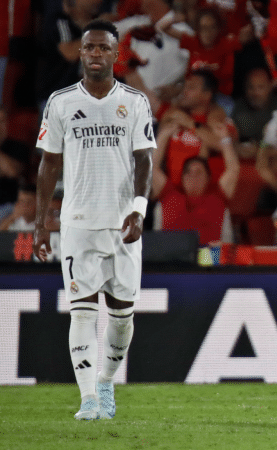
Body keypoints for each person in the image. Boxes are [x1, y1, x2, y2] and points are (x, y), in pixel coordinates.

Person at [33, 20, 155, 420]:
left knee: (122, 317)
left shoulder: (135, 102)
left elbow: (144, 160)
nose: (96, 54)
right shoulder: (61, 102)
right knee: (82, 311)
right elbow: (49, 163)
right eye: (90, 48)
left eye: (104, 48)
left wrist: (138, 208)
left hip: (123, 224)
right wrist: (39, 223)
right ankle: (87, 399)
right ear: (81, 53)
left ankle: (106, 381)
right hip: (79, 222)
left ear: (116, 53)